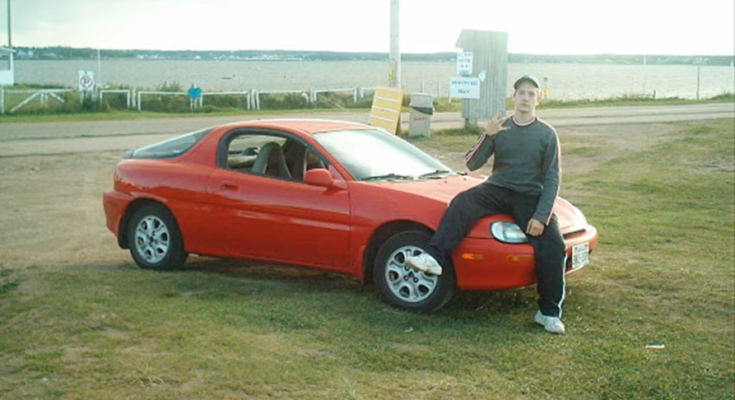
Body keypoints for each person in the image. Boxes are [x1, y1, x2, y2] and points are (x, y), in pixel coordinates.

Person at [406, 74, 567, 334]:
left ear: (537, 100)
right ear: (513, 97)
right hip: (498, 188)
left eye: (531, 94)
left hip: (529, 195)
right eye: (521, 93)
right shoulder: (500, 127)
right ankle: (433, 257)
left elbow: (552, 178)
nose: (525, 98)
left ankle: (548, 313)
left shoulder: (546, 134)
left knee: (553, 247)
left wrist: (541, 216)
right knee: (462, 202)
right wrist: (487, 135)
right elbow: (472, 163)